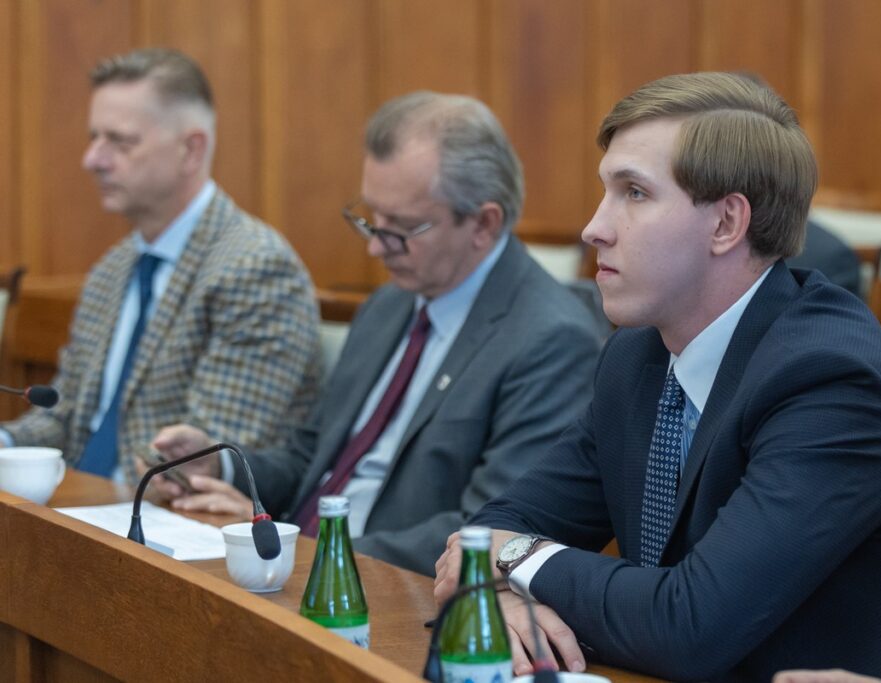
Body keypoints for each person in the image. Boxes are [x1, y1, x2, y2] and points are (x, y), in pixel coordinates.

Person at [434, 72, 881, 680]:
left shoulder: (834, 383)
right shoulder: (637, 355)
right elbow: (493, 530)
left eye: (633, 193)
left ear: (726, 224)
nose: (594, 227)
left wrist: (520, 559)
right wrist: (500, 589)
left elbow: (689, 626)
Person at [150, 91, 603, 575]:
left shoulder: (551, 341)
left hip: (391, 600)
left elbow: (488, 533)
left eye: (401, 228)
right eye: (370, 219)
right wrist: (218, 467)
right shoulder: (389, 305)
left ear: (483, 223)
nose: (375, 249)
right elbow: (312, 456)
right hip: (295, 571)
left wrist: (303, 551)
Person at [0, 48, 321, 480]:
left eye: (120, 141)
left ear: (191, 150)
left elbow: (203, 455)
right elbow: (67, 418)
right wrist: (6, 443)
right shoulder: (113, 269)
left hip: (163, 528)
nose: (91, 159)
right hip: (79, 512)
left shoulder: (257, 269)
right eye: (94, 137)